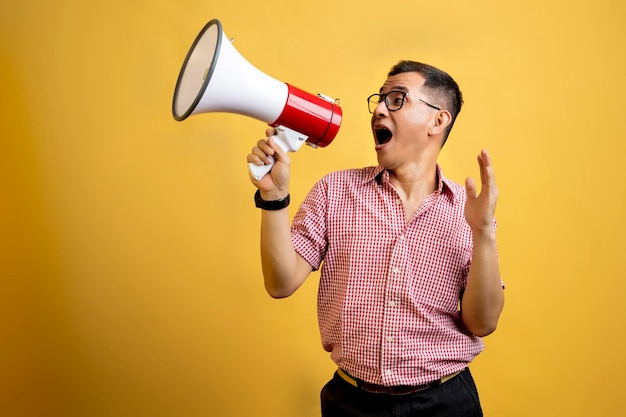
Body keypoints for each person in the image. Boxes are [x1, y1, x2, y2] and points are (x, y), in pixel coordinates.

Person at [246, 60, 504, 417]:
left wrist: (483, 232)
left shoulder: (468, 209)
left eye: (397, 99)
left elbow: (483, 322)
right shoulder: (334, 191)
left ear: (438, 120)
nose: (380, 109)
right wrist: (274, 198)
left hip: (445, 403)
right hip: (351, 403)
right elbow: (280, 282)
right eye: (380, 99)